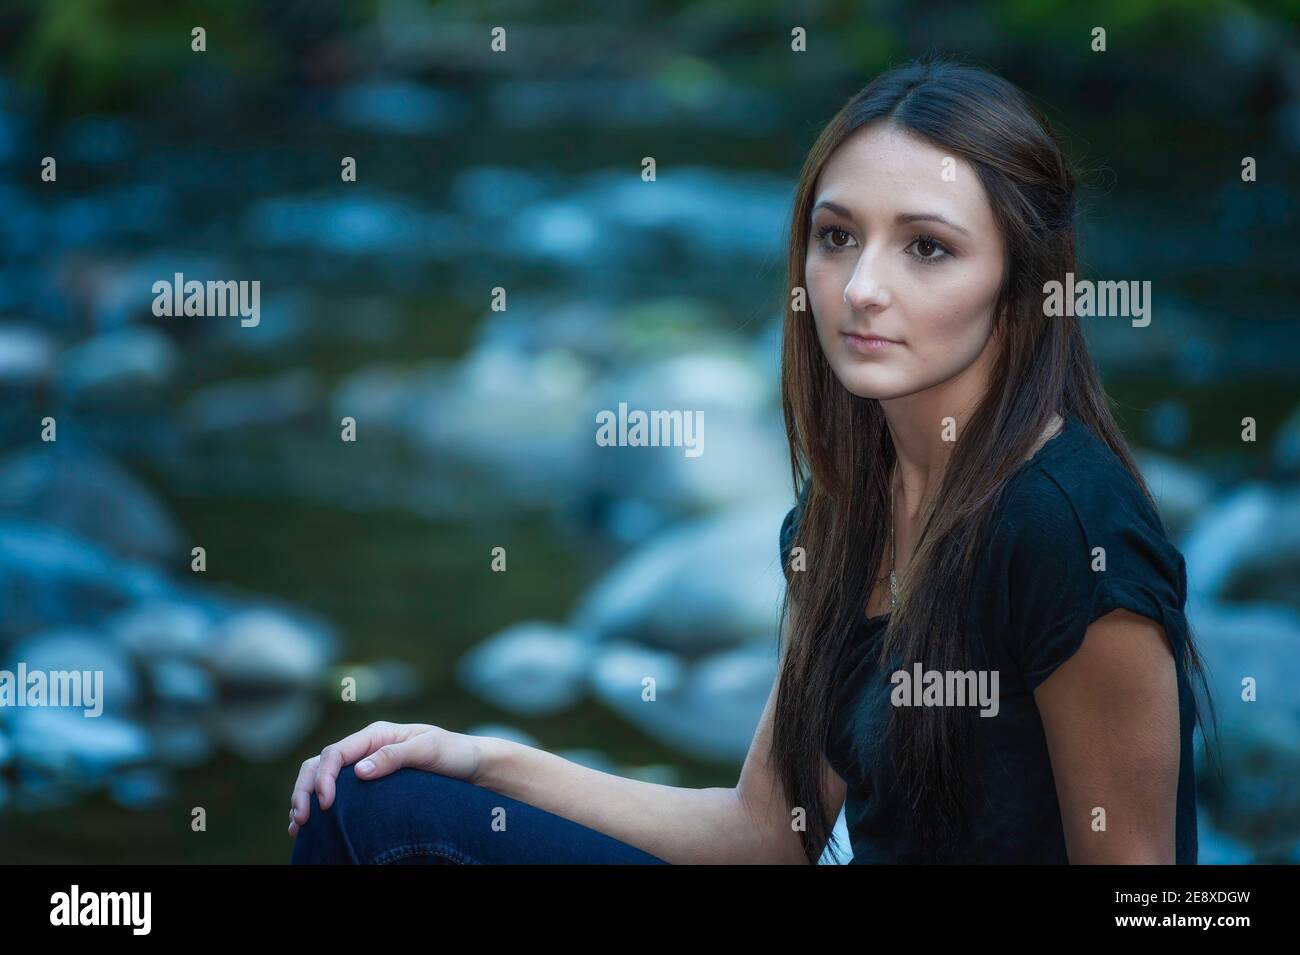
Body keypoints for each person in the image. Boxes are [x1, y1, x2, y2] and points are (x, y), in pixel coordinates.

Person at [288, 55, 1217, 865]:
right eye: (837, 236)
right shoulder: (848, 508)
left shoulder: (1068, 529)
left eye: (927, 248)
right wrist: (482, 756)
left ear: (1021, 287)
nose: (860, 287)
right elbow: (766, 835)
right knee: (376, 810)